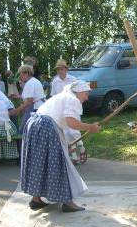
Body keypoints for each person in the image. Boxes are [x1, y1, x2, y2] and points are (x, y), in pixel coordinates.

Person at [20, 80, 100, 212]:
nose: (87, 97)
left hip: (34, 126)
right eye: (86, 93)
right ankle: (67, 202)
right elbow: (71, 122)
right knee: (60, 163)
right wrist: (90, 127)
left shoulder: (61, 97)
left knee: (39, 163)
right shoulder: (72, 99)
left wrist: (69, 143)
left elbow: (67, 127)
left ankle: (36, 199)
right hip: (46, 128)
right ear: (79, 92)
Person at [18, 64, 45, 133]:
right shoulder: (34, 81)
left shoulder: (30, 83)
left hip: (34, 110)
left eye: (20, 74)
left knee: (22, 131)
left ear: (26, 73)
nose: (20, 76)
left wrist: (17, 110)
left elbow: (29, 102)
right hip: (39, 109)